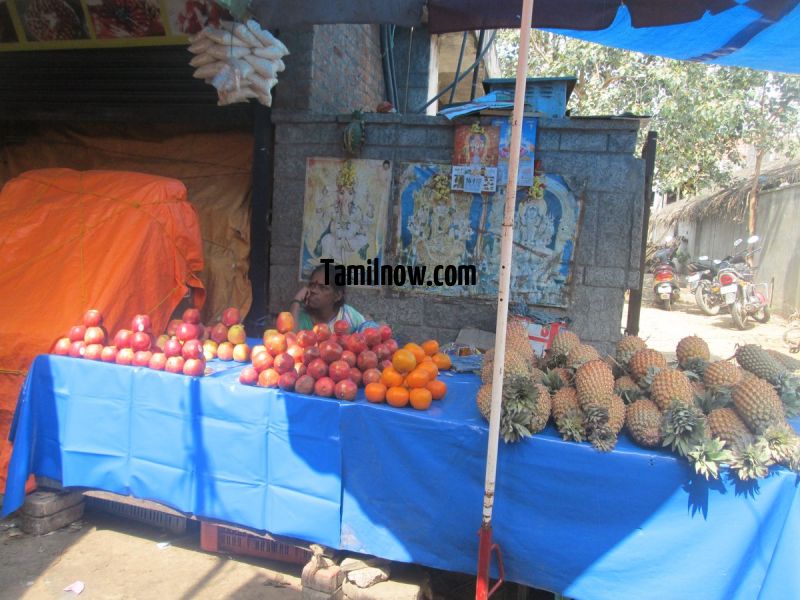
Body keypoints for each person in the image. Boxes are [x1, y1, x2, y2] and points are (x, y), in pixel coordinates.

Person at [290, 264, 376, 333]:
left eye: (322, 287)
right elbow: (290, 343)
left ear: (337, 296)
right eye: (312, 285)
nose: (313, 290)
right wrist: (296, 302)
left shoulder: (349, 316)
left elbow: (370, 334)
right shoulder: (300, 317)